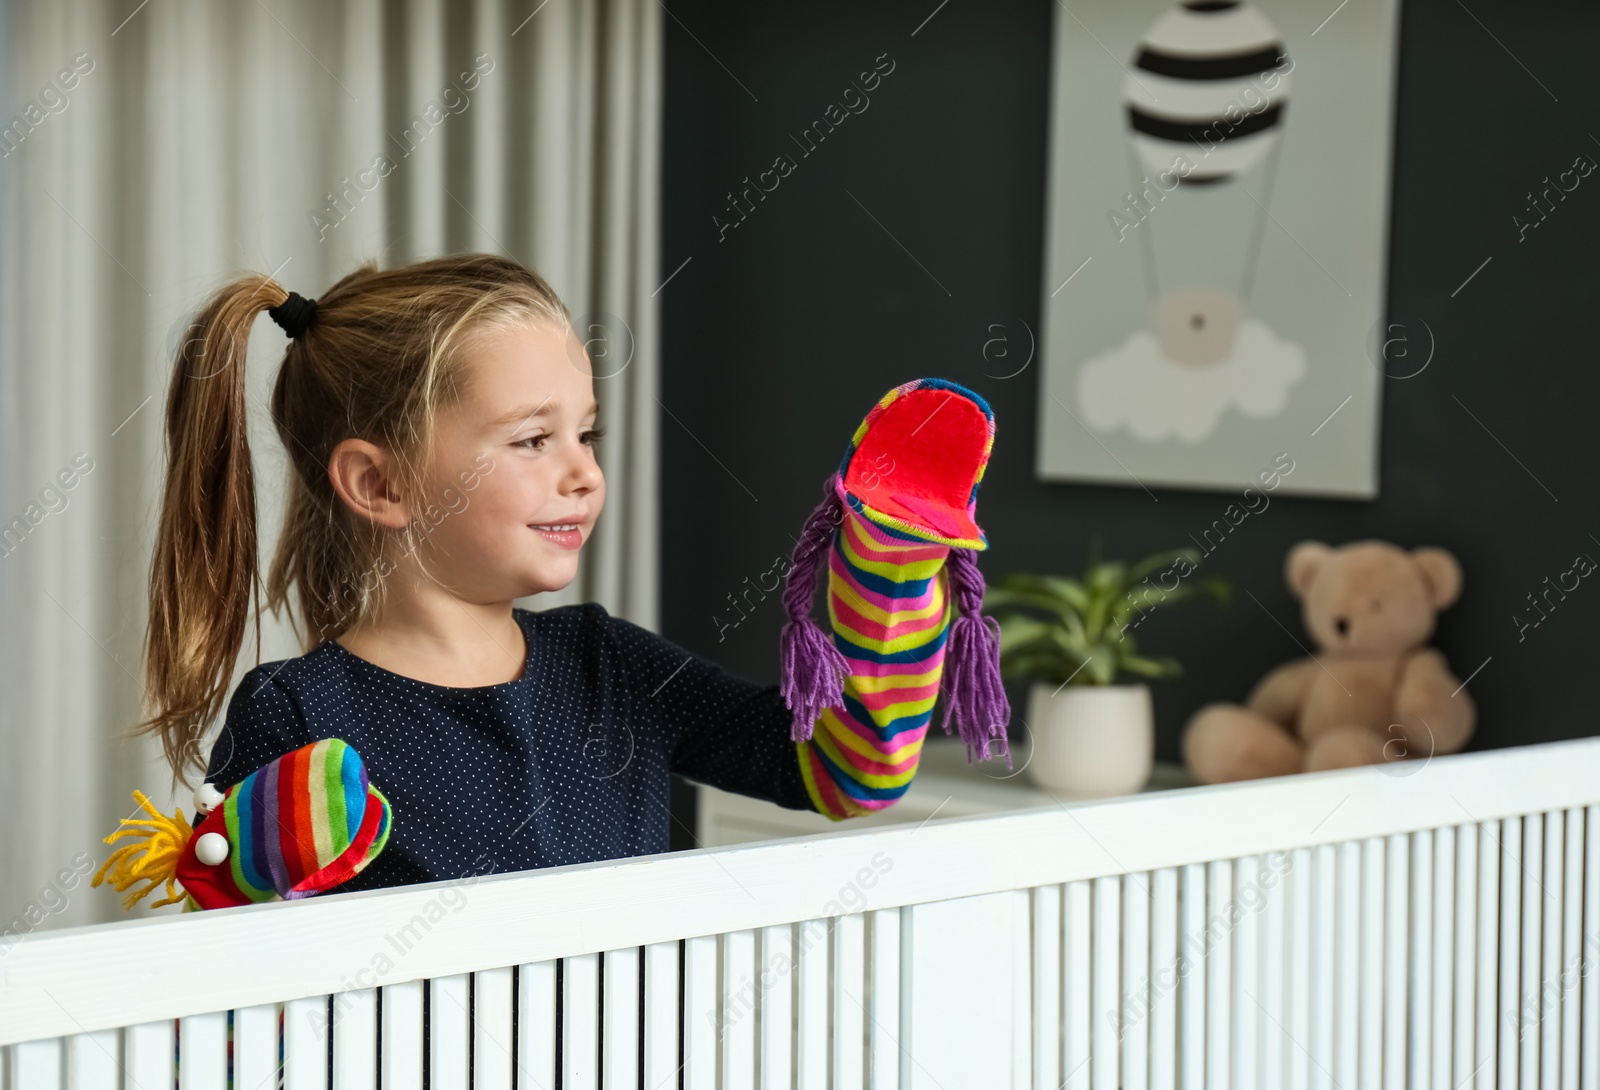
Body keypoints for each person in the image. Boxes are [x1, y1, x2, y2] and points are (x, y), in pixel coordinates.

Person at [136, 252, 1006, 895]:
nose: (583, 472)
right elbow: (249, 988)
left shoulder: (611, 666)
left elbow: (846, 772)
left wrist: (888, 573)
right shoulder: (297, 713)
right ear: (381, 483)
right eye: (531, 439)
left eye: (586, 434)